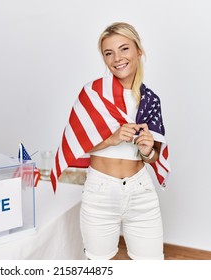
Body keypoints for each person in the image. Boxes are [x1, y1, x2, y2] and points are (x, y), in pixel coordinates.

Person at [50, 22, 170, 260]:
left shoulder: (150, 100)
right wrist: (111, 139)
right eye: (109, 53)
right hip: (100, 191)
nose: (117, 58)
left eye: (124, 49)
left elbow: (154, 155)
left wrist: (147, 151)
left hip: (141, 190)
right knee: (98, 265)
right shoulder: (92, 94)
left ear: (139, 51)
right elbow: (75, 145)